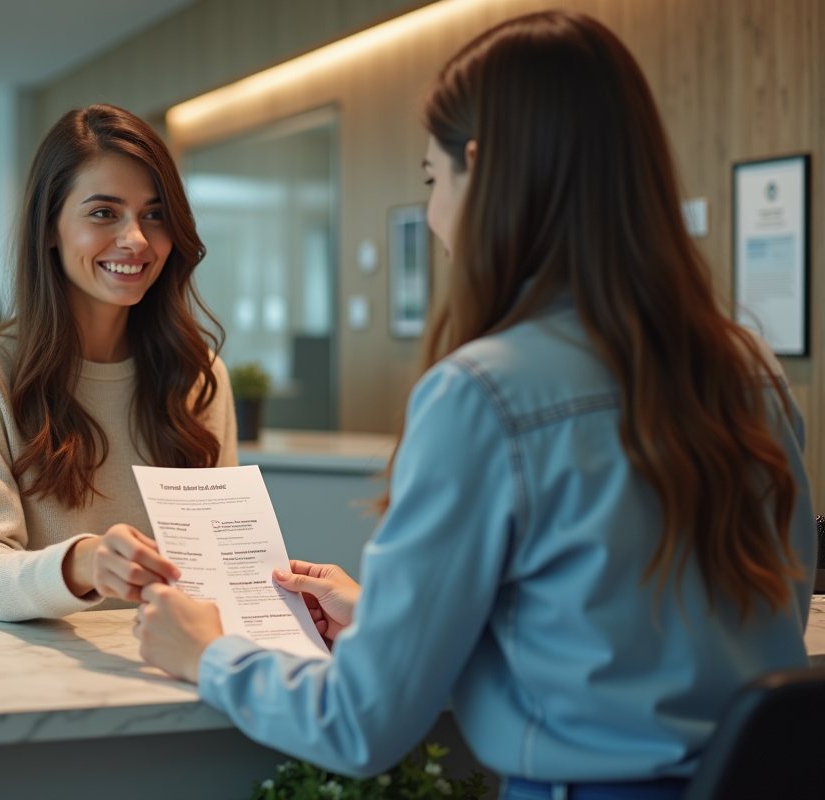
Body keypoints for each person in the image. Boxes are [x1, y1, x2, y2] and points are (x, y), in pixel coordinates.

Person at [132, 11, 815, 799]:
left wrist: (208, 654)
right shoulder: (749, 365)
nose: (431, 215)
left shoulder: (482, 395)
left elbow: (360, 724)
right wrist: (395, 616)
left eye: (432, 178)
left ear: (481, 169)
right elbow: (732, 621)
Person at [0, 105, 237, 622]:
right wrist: (80, 564)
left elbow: (216, 571)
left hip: (176, 673)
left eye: (155, 214)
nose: (136, 239)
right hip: (36, 686)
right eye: (103, 213)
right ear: (49, 228)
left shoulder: (198, 376)